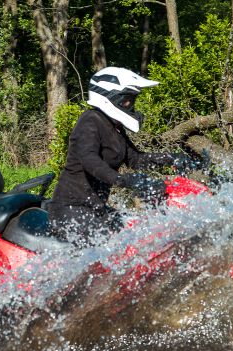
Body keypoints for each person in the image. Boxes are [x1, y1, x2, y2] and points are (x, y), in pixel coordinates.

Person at [48, 66, 189, 239]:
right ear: (110, 97)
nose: (130, 105)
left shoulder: (115, 128)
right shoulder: (90, 120)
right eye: (127, 100)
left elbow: (136, 159)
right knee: (109, 252)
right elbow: (88, 159)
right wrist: (123, 180)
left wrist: (174, 158)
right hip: (71, 209)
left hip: (96, 208)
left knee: (134, 235)